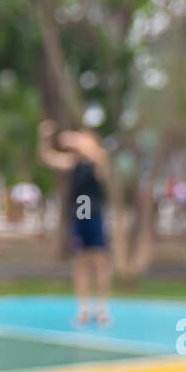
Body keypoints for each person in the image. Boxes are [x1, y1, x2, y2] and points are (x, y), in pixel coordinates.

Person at [38, 119, 113, 327]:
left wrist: (78, 140)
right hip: (80, 214)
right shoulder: (74, 163)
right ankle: (83, 309)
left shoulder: (97, 162)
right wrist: (44, 138)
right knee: (80, 262)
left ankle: (102, 308)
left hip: (95, 215)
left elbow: (101, 157)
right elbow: (47, 157)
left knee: (100, 261)